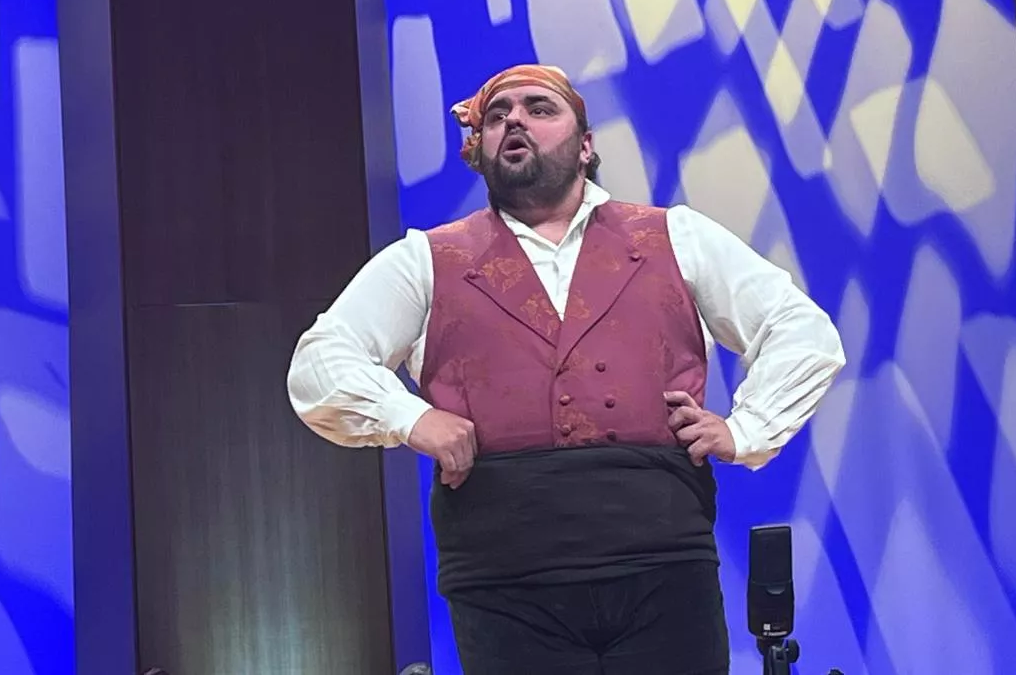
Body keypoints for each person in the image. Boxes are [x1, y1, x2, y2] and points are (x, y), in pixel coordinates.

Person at [287, 64, 846, 674]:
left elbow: (802, 330)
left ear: (585, 146)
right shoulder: (428, 258)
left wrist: (746, 429)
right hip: (504, 580)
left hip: (661, 566)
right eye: (498, 115)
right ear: (482, 148)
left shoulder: (673, 235)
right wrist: (410, 417)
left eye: (539, 108)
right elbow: (321, 360)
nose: (515, 121)